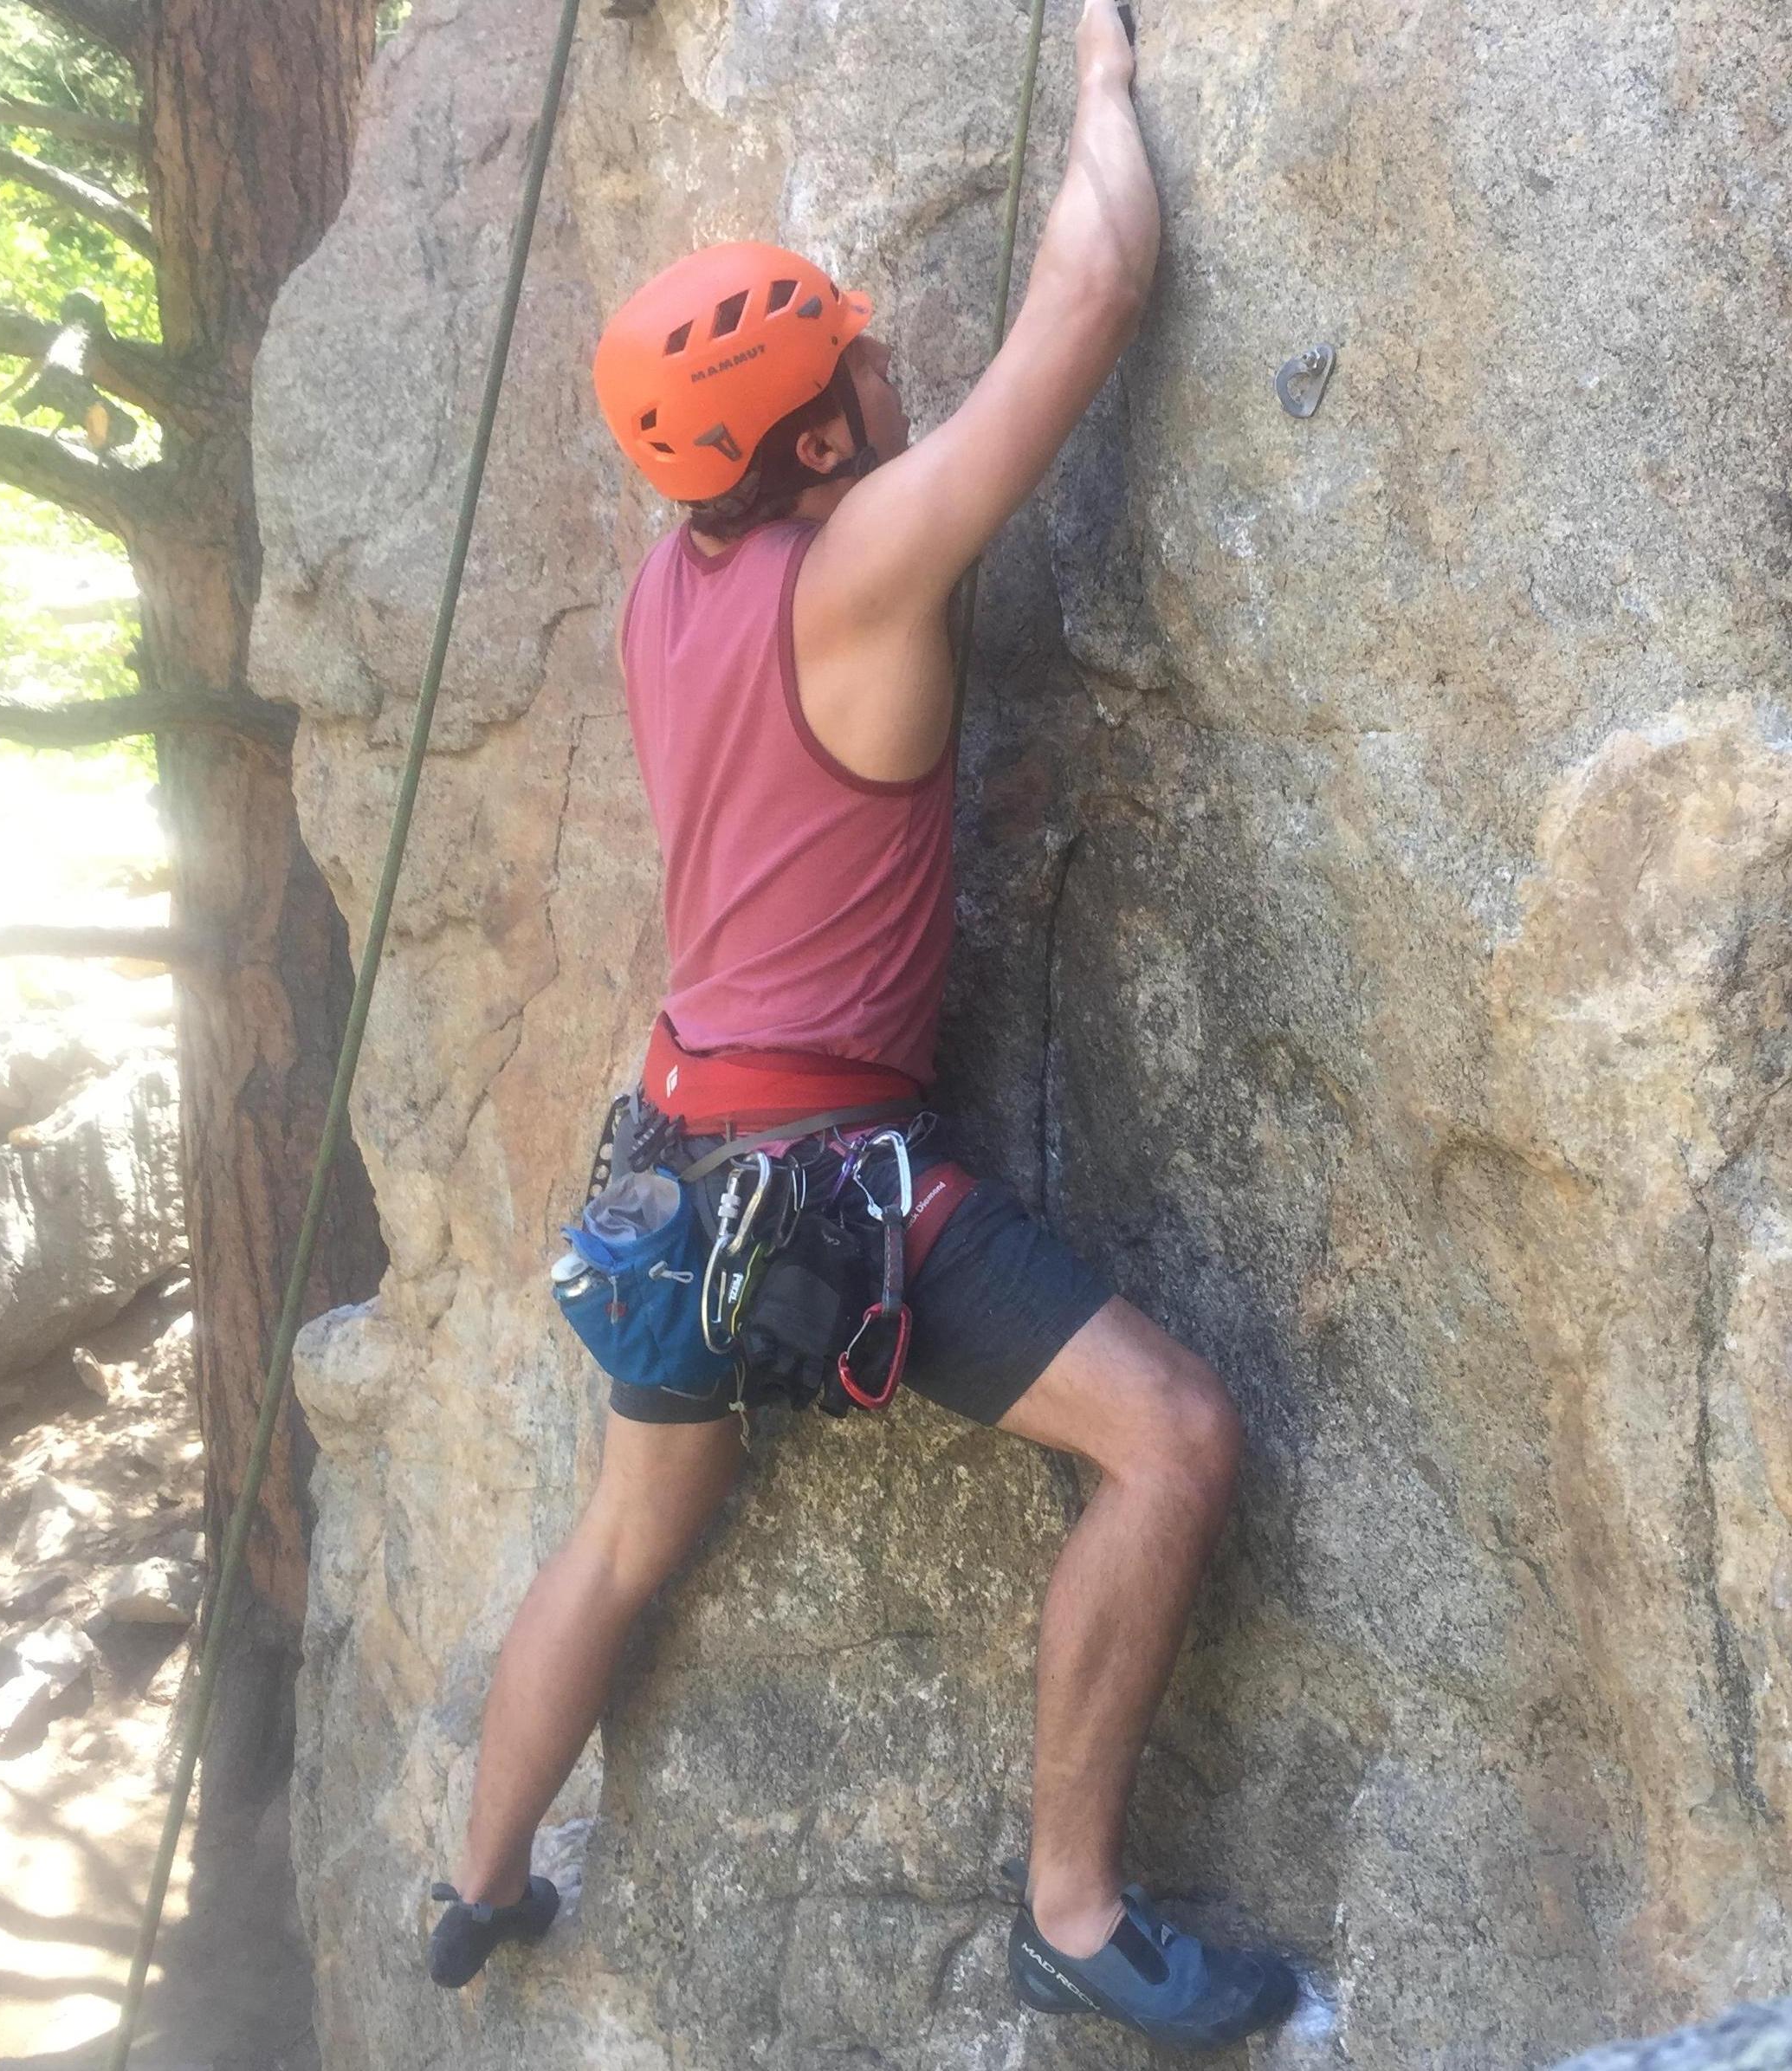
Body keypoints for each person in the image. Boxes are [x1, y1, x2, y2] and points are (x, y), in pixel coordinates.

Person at [425, 0, 1295, 2047]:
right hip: (830, 1182)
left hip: (668, 1161)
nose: (888, 352)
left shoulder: (675, 584)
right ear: (814, 443)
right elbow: (1093, 285)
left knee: (632, 1533)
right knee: (1171, 1438)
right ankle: (1067, 1909)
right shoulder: (863, 566)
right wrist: (1097, 70)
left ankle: (475, 1883)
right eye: (852, 358)